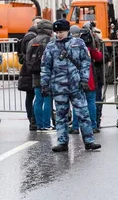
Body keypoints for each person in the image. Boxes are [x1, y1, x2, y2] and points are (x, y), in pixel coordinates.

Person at [40, 19, 101, 152]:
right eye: (56, 32)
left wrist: (84, 79)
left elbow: (86, 61)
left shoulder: (78, 43)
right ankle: (62, 142)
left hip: (76, 85)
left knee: (83, 113)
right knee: (61, 115)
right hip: (59, 86)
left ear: (67, 31)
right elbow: (45, 67)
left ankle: (89, 141)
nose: (58, 34)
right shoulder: (51, 46)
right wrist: (44, 84)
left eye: (61, 31)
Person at [69, 26, 103, 134]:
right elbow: (99, 57)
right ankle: (93, 125)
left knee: (76, 103)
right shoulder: (88, 47)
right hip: (89, 78)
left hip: (75, 77)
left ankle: (75, 126)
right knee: (91, 102)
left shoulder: (69, 46)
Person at [26, 19, 53, 131]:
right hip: (47, 73)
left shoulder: (32, 41)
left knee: (38, 99)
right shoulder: (50, 40)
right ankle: (46, 124)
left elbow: (27, 58)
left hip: (35, 73)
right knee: (47, 98)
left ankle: (39, 124)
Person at [18, 16, 41, 131]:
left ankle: (33, 119)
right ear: (32, 24)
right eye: (37, 23)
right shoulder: (31, 37)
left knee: (33, 95)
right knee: (31, 95)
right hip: (30, 71)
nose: (38, 25)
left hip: (29, 70)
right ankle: (32, 119)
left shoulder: (31, 36)